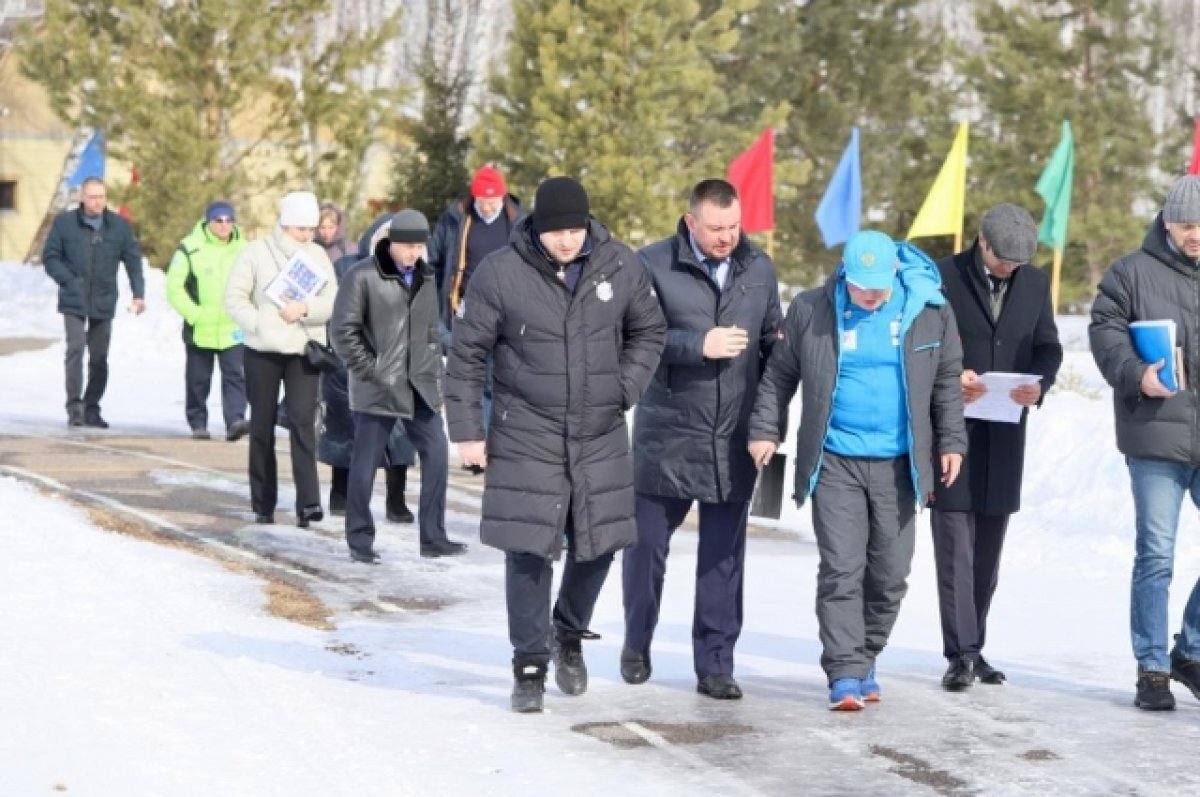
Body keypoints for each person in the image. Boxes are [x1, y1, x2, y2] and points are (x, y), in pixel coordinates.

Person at [444, 176, 666, 713]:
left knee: (600, 541)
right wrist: (469, 431)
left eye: (574, 229)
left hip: (599, 429)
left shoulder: (620, 264)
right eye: (555, 231)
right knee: (528, 548)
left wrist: (624, 388)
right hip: (527, 429)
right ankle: (529, 665)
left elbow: (649, 331)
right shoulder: (501, 272)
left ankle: (568, 630)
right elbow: (468, 355)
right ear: (537, 228)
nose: (566, 240)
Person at [748, 230, 966, 711]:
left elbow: (947, 381)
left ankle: (866, 653)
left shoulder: (929, 311)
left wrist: (951, 441)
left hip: (899, 464)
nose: (868, 296)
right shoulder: (811, 310)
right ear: (844, 274)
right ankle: (844, 671)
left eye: (877, 286)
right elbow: (779, 376)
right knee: (842, 569)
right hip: (836, 460)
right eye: (859, 285)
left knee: (890, 575)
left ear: (894, 273)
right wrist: (766, 428)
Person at [622, 178, 782, 700]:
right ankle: (637, 641)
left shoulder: (759, 270)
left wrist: (766, 426)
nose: (726, 237)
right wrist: (699, 344)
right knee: (645, 548)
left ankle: (715, 664)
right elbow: (632, 339)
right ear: (691, 222)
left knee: (723, 559)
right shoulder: (651, 264)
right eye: (715, 228)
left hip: (732, 437)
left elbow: (773, 354)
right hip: (667, 434)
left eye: (734, 226)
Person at [931, 204, 1062, 691]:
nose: (1011, 268)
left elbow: (1048, 346)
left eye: (1019, 261)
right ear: (981, 241)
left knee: (988, 552)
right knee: (955, 548)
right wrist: (952, 375)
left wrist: (1040, 384)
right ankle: (959, 653)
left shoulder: (1035, 283)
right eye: (1004, 258)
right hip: (951, 433)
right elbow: (924, 345)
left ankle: (975, 647)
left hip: (1006, 433)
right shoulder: (942, 276)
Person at [1090, 174, 1200, 711]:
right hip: (1155, 433)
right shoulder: (1130, 272)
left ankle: (1192, 649)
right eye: (1186, 225)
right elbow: (1104, 330)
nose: (1196, 235)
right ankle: (1153, 667)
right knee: (1156, 555)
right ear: (1167, 223)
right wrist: (1137, 374)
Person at [330, 210, 468, 563]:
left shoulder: (426, 276)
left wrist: (437, 379)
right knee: (365, 464)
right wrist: (371, 371)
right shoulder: (361, 276)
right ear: (391, 243)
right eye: (406, 246)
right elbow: (342, 331)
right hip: (377, 387)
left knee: (437, 455)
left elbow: (431, 333)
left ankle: (433, 536)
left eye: (417, 246)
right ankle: (359, 540)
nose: (412, 253)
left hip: (420, 384)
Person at [224, 190, 337, 528]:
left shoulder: (317, 256)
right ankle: (263, 502)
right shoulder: (257, 253)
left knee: (304, 424)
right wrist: (259, 324)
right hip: (262, 352)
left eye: (311, 229)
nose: (307, 235)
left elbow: (333, 297)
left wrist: (306, 308)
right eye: (301, 228)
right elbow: (234, 298)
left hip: (303, 351)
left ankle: (308, 503)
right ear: (285, 225)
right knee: (261, 426)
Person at [319, 214, 416, 522]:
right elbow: (332, 313)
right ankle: (340, 493)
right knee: (346, 428)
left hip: (396, 361)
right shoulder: (345, 268)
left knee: (399, 431)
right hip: (349, 361)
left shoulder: (413, 273)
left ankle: (396, 499)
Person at [42, 176, 146, 428]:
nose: (97, 202)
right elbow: (51, 256)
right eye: (92, 197)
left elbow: (133, 261)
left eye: (101, 197)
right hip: (73, 298)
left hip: (104, 298)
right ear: (82, 197)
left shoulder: (119, 227)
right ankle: (74, 407)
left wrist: (138, 293)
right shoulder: (65, 224)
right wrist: (68, 281)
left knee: (99, 357)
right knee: (76, 349)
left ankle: (92, 407)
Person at [166, 200, 251, 442]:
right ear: (208, 222)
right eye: (218, 220)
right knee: (198, 379)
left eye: (228, 220)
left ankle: (235, 420)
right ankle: (198, 422)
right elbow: (174, 287)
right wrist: (195, 314)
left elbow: (256, 283)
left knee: (236, 375)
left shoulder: (245, 249)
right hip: (200, 327)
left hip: (233, 327)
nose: (224, 225)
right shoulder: (190, 248)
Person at [428, 164, 524, 337]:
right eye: (481, 202)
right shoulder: (454, 220)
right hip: (463, 312)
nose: (486, 208)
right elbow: (432, 264)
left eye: (492, 203)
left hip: (506, 315)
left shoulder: (520, 224)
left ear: (502, 198)